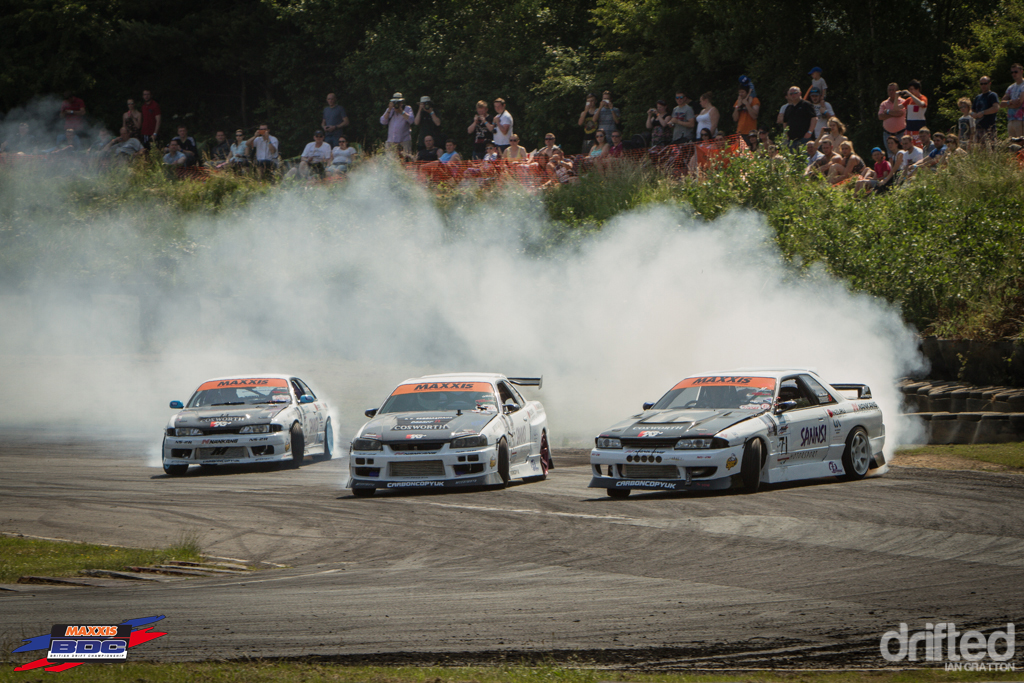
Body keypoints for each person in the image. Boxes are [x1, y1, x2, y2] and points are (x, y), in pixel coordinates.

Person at [878, 83, 907, 149]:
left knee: (903, 152)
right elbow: (880, 117)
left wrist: (888, 112)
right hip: (887, 134)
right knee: (890, 154)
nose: (891, 92)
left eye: (893, 90)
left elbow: (900, 113)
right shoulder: (884, 103)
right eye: (889, 90)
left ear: (897, 91)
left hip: (901, 133)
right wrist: (894, 114)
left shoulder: (903, 102)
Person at [971, 75, 1000, 143]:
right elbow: (971, 109)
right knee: (980, 150)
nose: (983, 85)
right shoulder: (978, 97)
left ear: (989, 83)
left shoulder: (992, 95)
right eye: (981, 84)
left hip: (989, 127)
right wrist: (973, 114)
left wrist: (983, 112)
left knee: (991, 148)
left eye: (985, 83)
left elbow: (996, 108)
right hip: (978, 127)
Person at [1001, 64, 1024, 139]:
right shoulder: (1011, 87)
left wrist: (1007, 103)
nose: (1014, 74)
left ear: (1021, 72)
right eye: (1012, 72)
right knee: (1012, 145)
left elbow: (1018, 103)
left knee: (1021, 145)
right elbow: (1001, 104)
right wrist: (1010, 102)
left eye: (1016, 72)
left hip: (1021, 120)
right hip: (1011, 120)